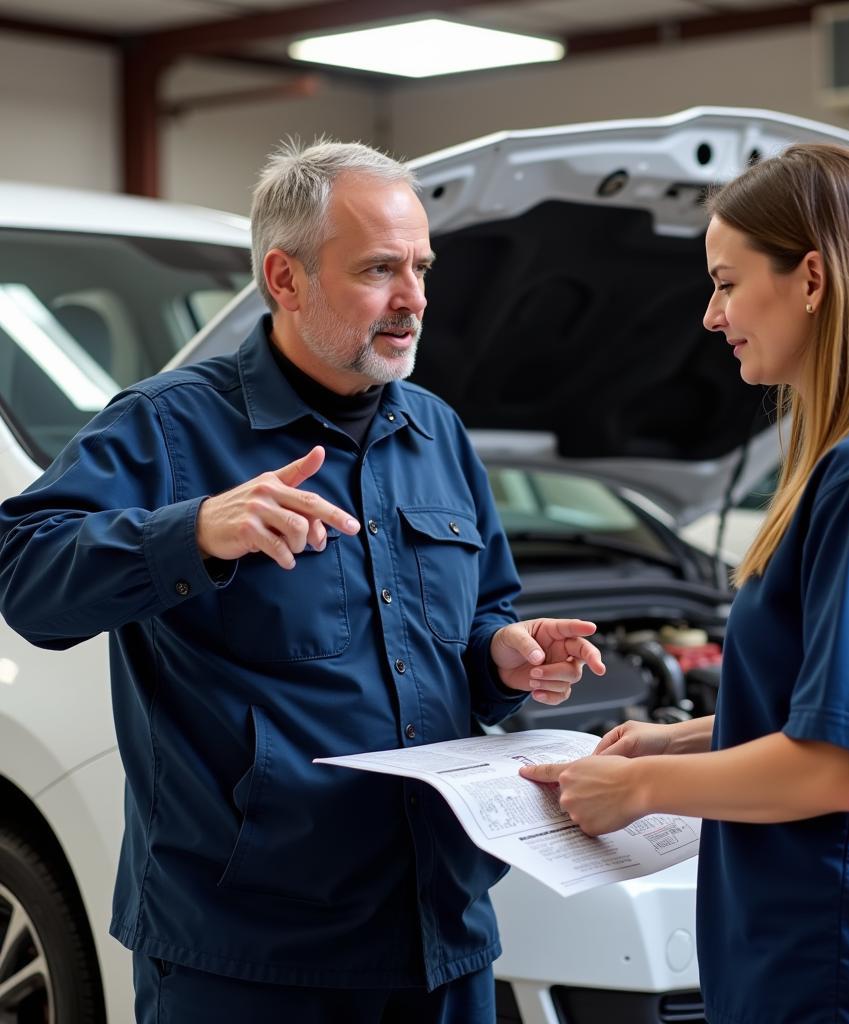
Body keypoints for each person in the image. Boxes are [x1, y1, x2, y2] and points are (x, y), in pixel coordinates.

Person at [0, 139, 605, 1024]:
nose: (414, 300)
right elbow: (24, 576)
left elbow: (477, 622)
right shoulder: (170, 427)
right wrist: (193, 531)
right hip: (250, 954)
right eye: (378, 270)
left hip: (439, 931)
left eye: (421, 268)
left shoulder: (437, 432)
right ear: (284, 279)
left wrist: (506, 656)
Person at [521, 143, 849, 1023]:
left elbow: (846, 764)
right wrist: (677, 743)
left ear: (814, 278)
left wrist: (636, 792)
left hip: (840, 970)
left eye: (725, 281)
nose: (711, 316)